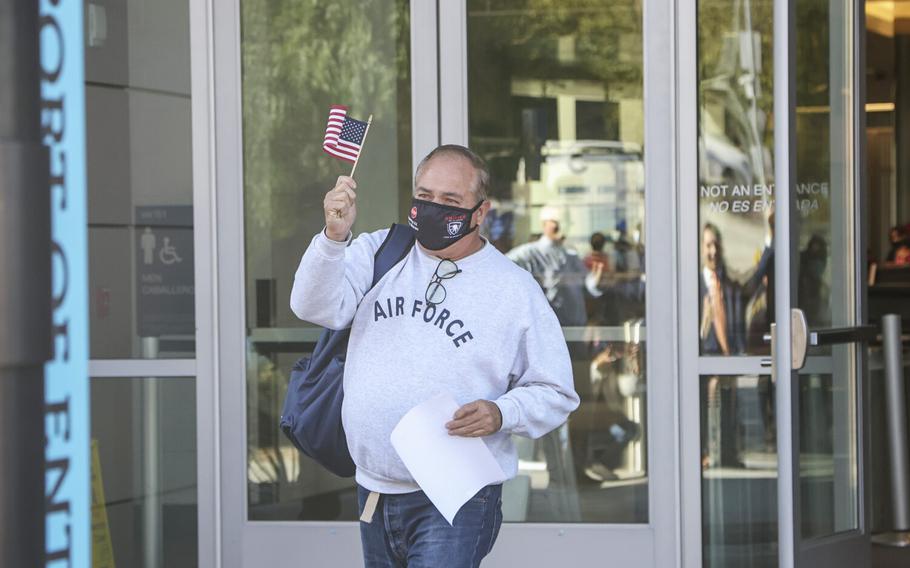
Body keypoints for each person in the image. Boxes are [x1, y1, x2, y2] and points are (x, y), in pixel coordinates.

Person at [289, 144, 580, 567]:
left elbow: (556, 391)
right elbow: (312, 306)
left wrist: (502, 413)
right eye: (424, 196)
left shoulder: (513, 289)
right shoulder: (379, 251)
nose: (432, 208)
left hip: (457, 496)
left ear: (480, 212)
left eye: (450, 201)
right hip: (374, 488)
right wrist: (334, 239)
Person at [505, 206, 602, 327]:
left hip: (576, 329)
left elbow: (588, 284)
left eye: (565, 223)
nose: (561, 227)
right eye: (556, 222)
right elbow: (500, 270)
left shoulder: (571, 255)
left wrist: (596, 279)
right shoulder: (529, 253)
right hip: (548, 330)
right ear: (544, 224)